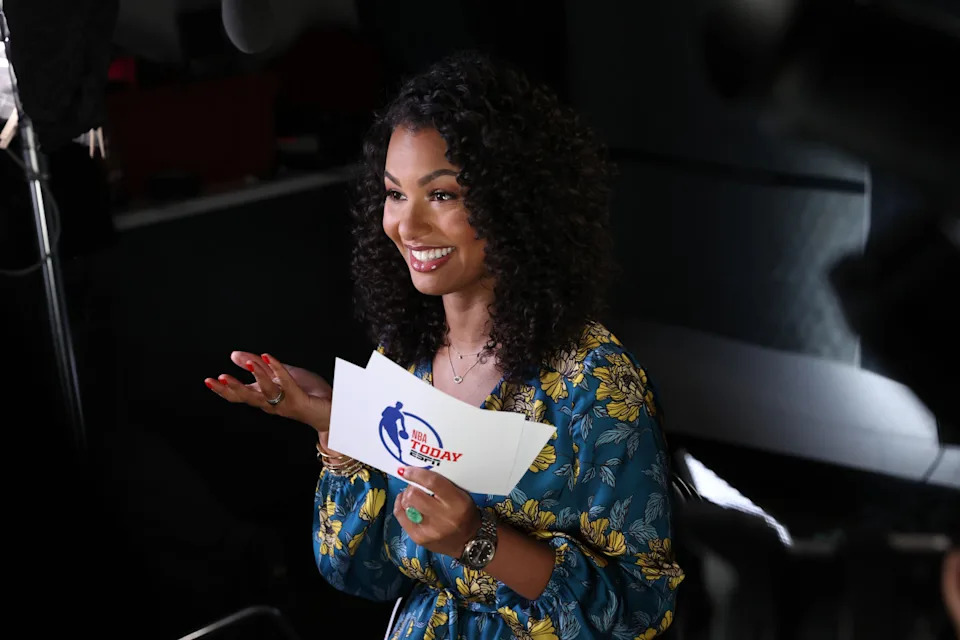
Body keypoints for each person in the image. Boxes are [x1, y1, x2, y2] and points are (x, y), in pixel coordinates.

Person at [204, 51, 683, 640]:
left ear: (515, 203)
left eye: (442, 195)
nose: (406, 226)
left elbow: (642, 612)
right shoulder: (403, 356)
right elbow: (358, 572)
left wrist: (479, 541)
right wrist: (340, 428)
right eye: (394, 194)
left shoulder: (595, 385)